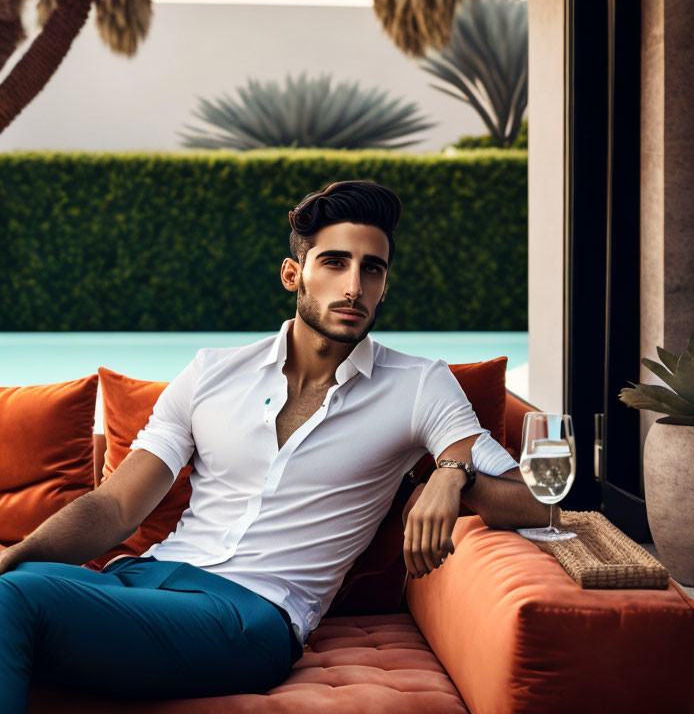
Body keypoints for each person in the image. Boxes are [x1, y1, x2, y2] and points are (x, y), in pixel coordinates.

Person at [0, 180, 557, 709]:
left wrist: (452, 475)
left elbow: (542, 500)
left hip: (250, 616)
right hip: (142, 579)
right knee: (18, 583)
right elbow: (116, 506)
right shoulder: (212, 373)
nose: (353, 287)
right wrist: (15, 556)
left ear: (386, 285)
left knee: (14, 600)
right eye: (335, 263)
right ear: (294, 274)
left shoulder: (418, 386)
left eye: (373, 270)